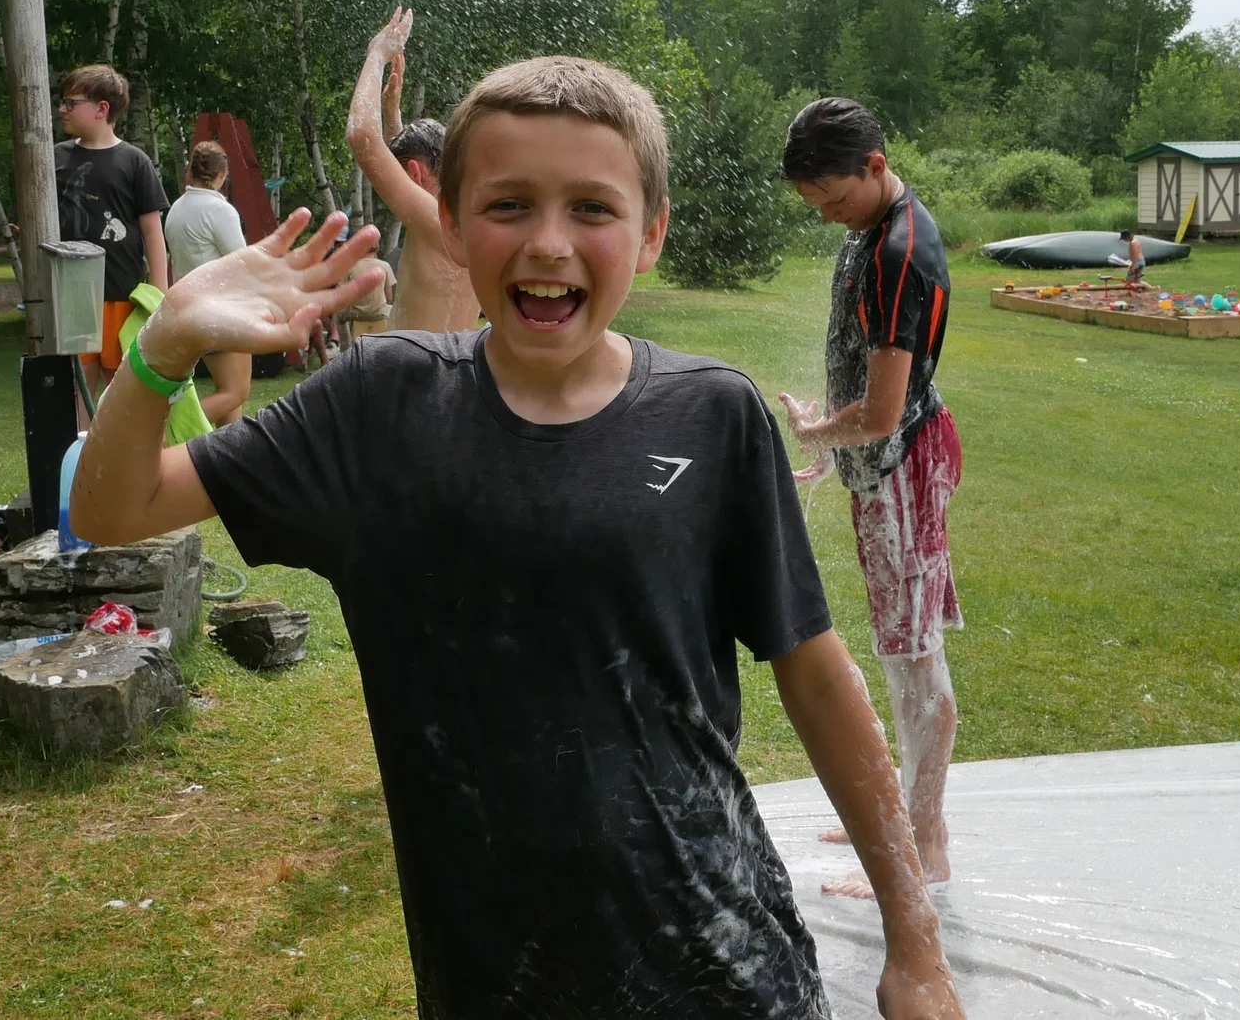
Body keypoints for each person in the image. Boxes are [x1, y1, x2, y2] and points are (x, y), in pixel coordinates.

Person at [73, 60, 966, 1020]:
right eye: (509, 204)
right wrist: (163, 346)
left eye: (592, 207)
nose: (549, 242)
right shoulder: (379, 408)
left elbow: (817, 673)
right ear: (450, 224)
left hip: (724, 959)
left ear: (651, 231)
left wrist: (913, 941)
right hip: (497, 978)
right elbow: (113, 510)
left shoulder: (714, 414)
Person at [776, 96, 963, 904]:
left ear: (875, 167)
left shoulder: (899, 254)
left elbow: (883, 411)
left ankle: (924, 844)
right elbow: (863, 374)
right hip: (881, 466)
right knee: (900, 651)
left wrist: (821, 435)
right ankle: (902, 813)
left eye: (834, 200)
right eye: (813, 206)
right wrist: (834, 449)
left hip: (903, 467)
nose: (827, 218)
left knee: (914, 661)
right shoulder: (868, 230)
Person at [346, 7, 482, 332]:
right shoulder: (462, 215)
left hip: (418, 375)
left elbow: (361, 136)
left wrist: (377, 55)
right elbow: (408, 166)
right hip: (447, 367)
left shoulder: (436, 220)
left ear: (414, 173)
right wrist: (392, 112)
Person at [54, 64, 171, 398]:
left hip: (121, 293)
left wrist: (160, 294)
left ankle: (122, 451)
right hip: (71, 296)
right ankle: (81, 449)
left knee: (120, 387)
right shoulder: (55, 158)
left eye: (70, 102)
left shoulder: (134, 162)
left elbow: (152, 231)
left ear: (102, 108)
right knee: (79, 385)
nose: (63, 109)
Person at [165, 140, 251, 425]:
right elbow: (243, 264)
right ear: (222, 174)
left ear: (190, 170)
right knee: (236, 391)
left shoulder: (176, 208)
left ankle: (229, 462)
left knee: (226, 391)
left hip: (187, 311)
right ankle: (170, 433)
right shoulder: (219, 211)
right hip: (220, 313)